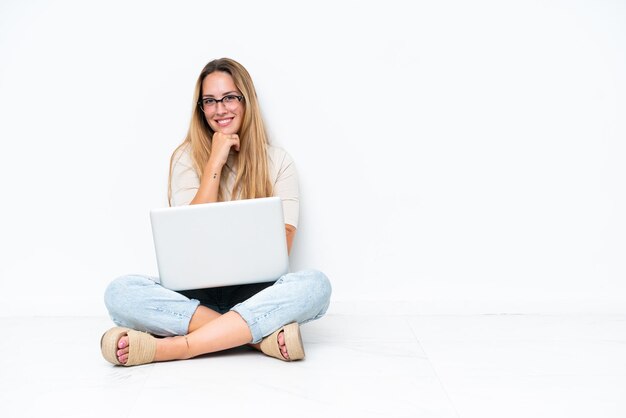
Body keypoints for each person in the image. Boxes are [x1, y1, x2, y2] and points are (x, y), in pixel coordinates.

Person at [100, 58, 332, 366]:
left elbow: (284, 246)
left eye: (229, 98)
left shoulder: (278, 162)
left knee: (316, 286)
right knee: (120, 293)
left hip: (255, 294)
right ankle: (258, 340)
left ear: (246, 100)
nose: (220, 109)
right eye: (210, 101)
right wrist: (215, 161)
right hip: (196, 296)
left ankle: (177, 347)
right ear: (201, 108)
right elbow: (185, 237)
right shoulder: (185, 158)